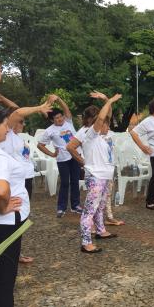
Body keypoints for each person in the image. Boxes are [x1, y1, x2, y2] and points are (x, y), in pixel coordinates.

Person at [0, 107, 42, 307]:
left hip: (4, 224)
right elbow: (1, 190)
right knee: (3, 284)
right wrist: (3, 205)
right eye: (4, 124)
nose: (7, 128)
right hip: (4, 226)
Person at [0, 97, 53, 264]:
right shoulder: (5, 135)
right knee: (12, 221)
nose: (23, 124)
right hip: (10, 187)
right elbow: (17, 110)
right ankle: (11, 254)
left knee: (21, 219)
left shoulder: (15, 136)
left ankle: (15, 252)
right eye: (20, 121)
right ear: (10, 122)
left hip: (23, 180)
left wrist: (2, 99)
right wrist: (39, 107)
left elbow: (16, 109)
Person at [67, 93, 125, 226]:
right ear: (87, 119)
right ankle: (91, 225)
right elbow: (70, 147)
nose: (99, 118)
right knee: (94, 200)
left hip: (107, 167)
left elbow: (108, 113)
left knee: (106, 196)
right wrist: (83, 161)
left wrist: (105, 99)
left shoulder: (104, 126)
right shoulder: (86, 131)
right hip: (95, 171)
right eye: (95, 116)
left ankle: (107, 219)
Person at [75, 94, 122, 253]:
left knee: (99, 207)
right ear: (98, 124)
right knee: (89, 210)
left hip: (104, 176)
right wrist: (109, 101)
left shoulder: (101, 138)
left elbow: (106, 115)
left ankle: (100, 231)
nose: (107, 126)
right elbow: (102, 118)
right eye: (105, 124)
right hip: (95, 177)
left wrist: (106, 101)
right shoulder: (90, 135)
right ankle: (85, 242)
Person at [37, 95, 81, 218]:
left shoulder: (68, 122)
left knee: (75, 181)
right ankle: (61, 208)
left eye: (61, 116)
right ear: (52, 120)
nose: (60, 119)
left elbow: (67, 110)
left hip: (75, 156)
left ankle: (75, 205)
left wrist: (58, 99)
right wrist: (52, 154)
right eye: (57, 118)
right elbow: (40, 145)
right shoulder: (49, 131)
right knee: (65, 183)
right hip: (62, 159)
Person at [130, 98, 154, 210]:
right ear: (153, 109)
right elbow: (133, 133)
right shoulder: (148, 121)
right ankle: (150, 201)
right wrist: (142, 147)